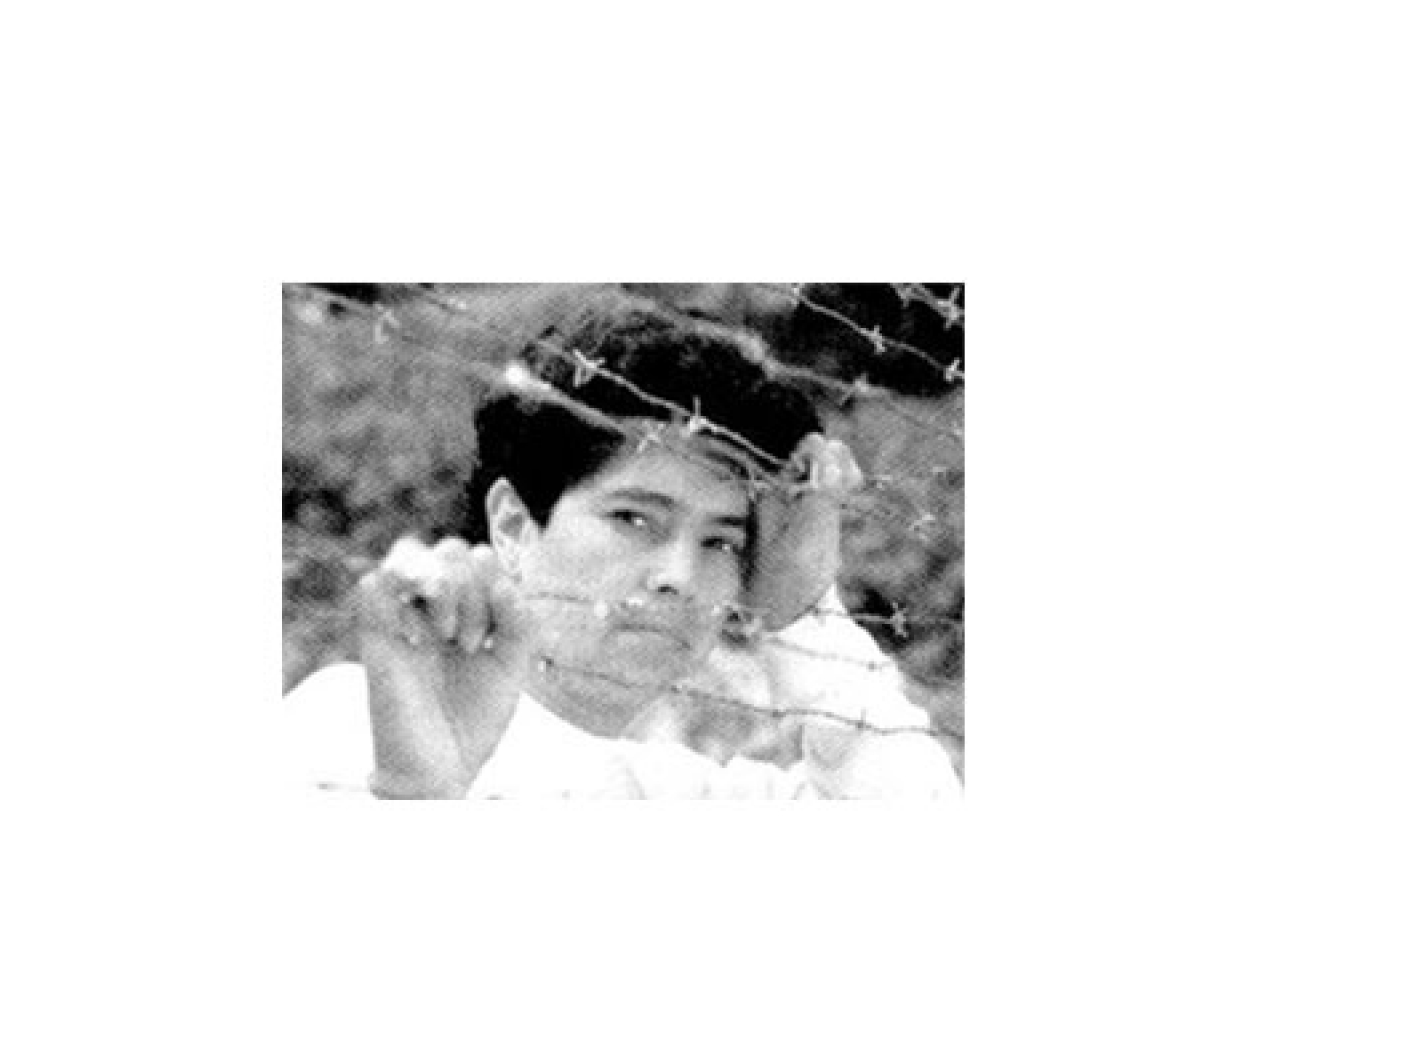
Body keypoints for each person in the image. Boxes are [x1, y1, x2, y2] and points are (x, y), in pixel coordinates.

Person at [284, 300, 960, 799]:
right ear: (514, 524)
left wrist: (805, 612)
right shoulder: (351, 720)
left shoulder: (695, 796)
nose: (679, 577)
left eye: (721, 541)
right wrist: (416, 798)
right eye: (634, 519)